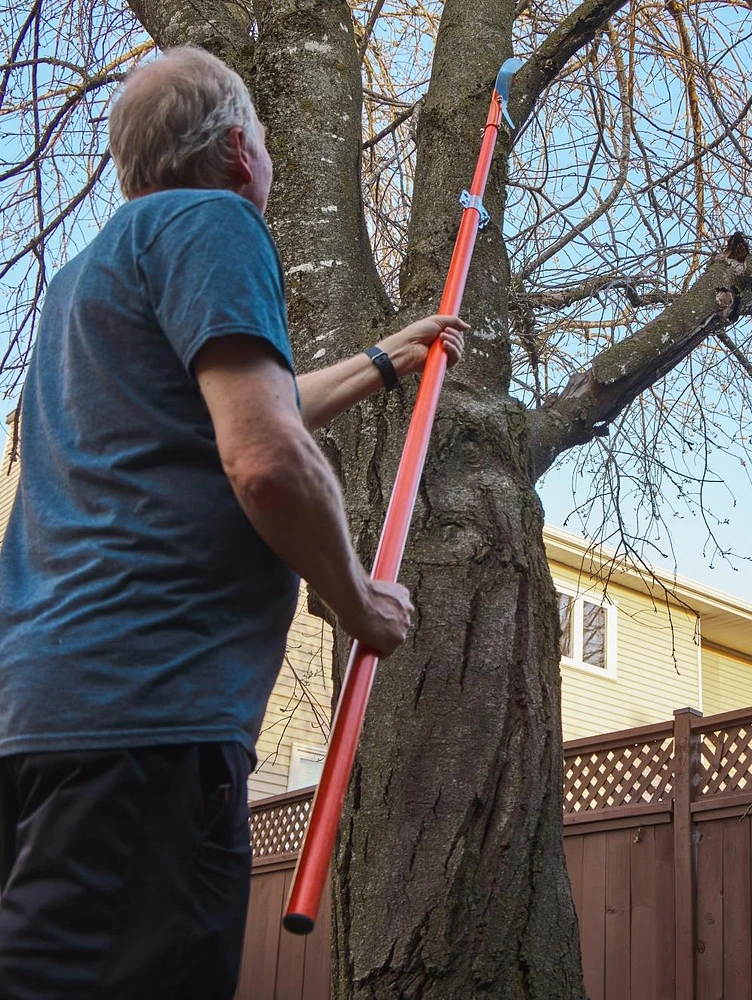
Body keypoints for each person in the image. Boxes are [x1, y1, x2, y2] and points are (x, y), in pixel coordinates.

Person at [0, 46, 467, 999]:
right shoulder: (215, 220)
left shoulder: (85, 279)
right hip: (146, 728)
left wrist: (386, 359)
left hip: (42, 728)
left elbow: (256, 409)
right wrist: (356, 603)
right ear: (236, 151)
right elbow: (265, 460)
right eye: (260, 136)